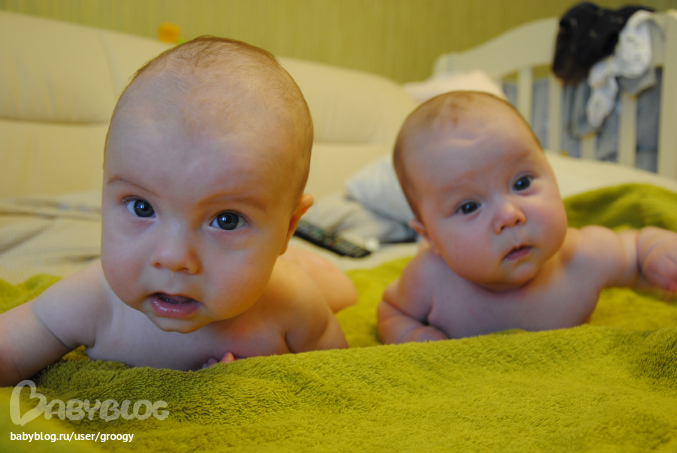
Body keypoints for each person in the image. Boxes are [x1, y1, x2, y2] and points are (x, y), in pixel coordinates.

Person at [0, 37, 357, 386]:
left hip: (292, 274)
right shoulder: (91, 299)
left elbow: (340, 382)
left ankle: (309, 264)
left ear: (288, 228)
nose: (173, 258)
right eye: (142, 207)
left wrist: (268, 382)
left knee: (341, 290)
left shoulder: (293, 303)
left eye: (227, 220)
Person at [377, 91, 677, 344]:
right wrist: (411, 334)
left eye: (521, 183)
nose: (509, 215)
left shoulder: (583, 256)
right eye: (468, 207)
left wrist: (656, 250)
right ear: (430, 237)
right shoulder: (429, 278)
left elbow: (636, 252)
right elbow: (392, 310)